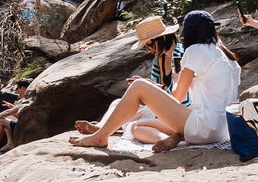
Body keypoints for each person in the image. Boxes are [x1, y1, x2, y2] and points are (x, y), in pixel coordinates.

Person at [68, 10, 240, 152]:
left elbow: (178, 96)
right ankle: (169, 138)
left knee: (138, 86)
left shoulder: (195, 50)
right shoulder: (228, 57)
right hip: (224, 130)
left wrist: (174, 77)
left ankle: (100, 137)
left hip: (203, 126)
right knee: (135, 127)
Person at [78, 16, 189, 145]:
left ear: (162, 38)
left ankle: (168, 137)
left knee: (133, 126)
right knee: (117, 104)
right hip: (162, 110)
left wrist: (148, 87)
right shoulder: (158, 59)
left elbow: (182, 95)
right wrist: (149, 85)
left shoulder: (180, 56)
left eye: (149, 45)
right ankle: (101, 127)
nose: (149, 50)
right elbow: (162, 89)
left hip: (179, 110)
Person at [0, 77, 32, 157]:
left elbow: (10, 112)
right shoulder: (30, 97)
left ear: (22, 88)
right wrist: (11, 106)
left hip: (25, 126)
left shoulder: (26, 100)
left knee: (0, 120)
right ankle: (9, 143)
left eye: (17, 88)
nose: (16, 90)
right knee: (5, 118)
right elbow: (18, 113)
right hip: (26, 123)